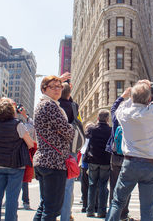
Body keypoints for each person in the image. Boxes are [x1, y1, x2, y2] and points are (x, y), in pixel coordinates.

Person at [106, 80, 153, 221]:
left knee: (117, 202)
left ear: (132, 98)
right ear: (149, 99)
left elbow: (119, 107)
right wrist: (152, 85)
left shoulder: (123, 114)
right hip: (151, 165)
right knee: (147, 209)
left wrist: (130, 95)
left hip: (129, 163)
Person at [33, 75, 75, 221]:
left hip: (44, 161)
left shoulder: (42, 104)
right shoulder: (50, 106)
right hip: (54, 162)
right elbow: (69, 132)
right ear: (44, 89)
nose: (57, 90)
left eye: (59, 86)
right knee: (52, 209)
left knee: (44, 205)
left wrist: (63, 130)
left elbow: (62, 130)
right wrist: (70, 128)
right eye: (53, 87)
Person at [0, 97, 34, 221]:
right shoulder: (17, 124)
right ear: (12, 110)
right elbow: (30, 143)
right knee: (12, 198)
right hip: (15, 165)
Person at [106, 87, 133, 221]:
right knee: (126, 187)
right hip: (129, 156)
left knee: (114, 186)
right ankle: (123, 214)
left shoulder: (117, 117)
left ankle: (113, 213)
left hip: (115, 156)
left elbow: (113, 107)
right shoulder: (133, 118)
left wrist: (123, 96)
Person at [59, 82, 84, 221]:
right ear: (69, 94)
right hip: (71, 149)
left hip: (55, 149)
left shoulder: (54, 106)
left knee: (54, 184)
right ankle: (65, 216)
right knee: (68, 186)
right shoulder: (73, 106)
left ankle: (53, 214)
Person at [83, 109, 112, 218]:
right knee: (103, 185)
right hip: (105, 161)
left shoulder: (92, 129)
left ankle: (90, 210)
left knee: (92, 185)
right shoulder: (110, 130)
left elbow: (86, 136)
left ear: (98, 118)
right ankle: (101, 211)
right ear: (108, 119)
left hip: (93, 160)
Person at [17, 104, 36, 210]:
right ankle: (25, 201)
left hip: (24, 154)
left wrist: (25, 116)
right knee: (19, 178)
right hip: (21, 154)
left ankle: (25, 201)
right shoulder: (16, 123)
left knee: (22, 179)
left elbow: (33, 127)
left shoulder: (26, 125)